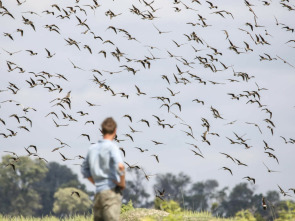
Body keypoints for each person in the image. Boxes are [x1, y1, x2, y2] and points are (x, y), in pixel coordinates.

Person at [81, 117, 125, 221]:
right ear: (115, 131)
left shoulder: (92, 148)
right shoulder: (112, 147)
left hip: (98, 193)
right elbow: (120, 166)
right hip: (110, 192)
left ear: (102, 130)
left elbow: (84, 170)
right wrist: (122, 183)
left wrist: (96, 182)